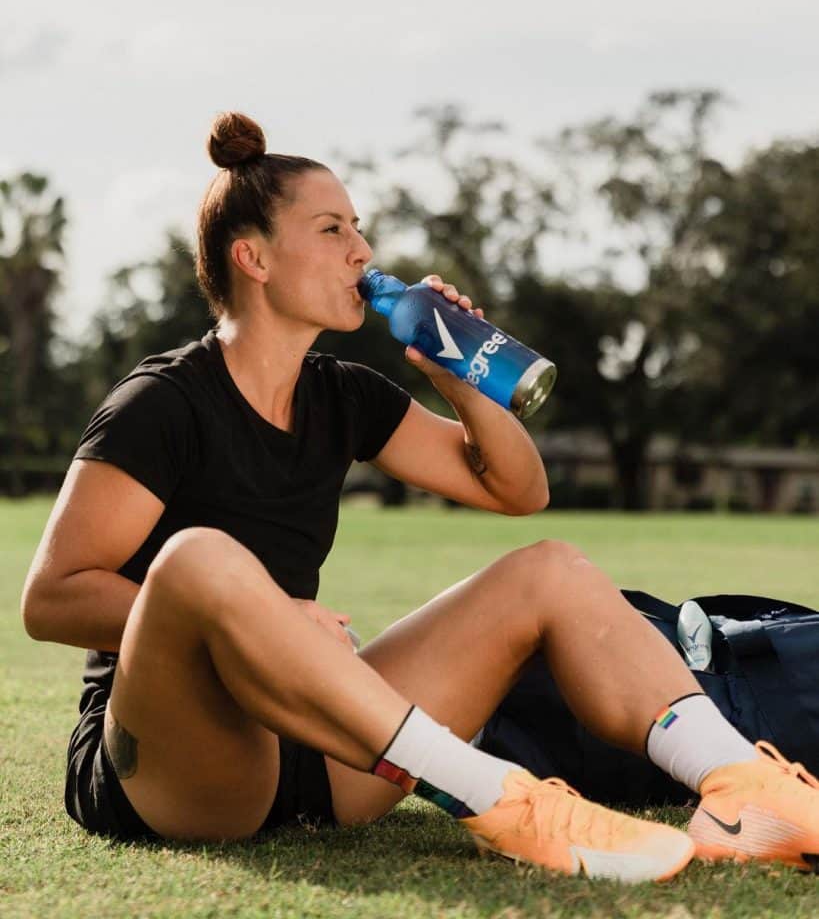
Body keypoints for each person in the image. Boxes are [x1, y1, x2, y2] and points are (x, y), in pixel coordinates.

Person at [21, 112, 819, 884]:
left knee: (549, 570)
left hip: (323, 748)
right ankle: (491, 794)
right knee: (200, 561)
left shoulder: (343, 395)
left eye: (357, 228)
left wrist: (455, 377)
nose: (360, 250)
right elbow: (51, 599)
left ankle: (743, 790)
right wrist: (267, 615)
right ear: (253, 259)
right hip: (180, 768)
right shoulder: (163, 402)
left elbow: (517, 490)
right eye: (331, 229)